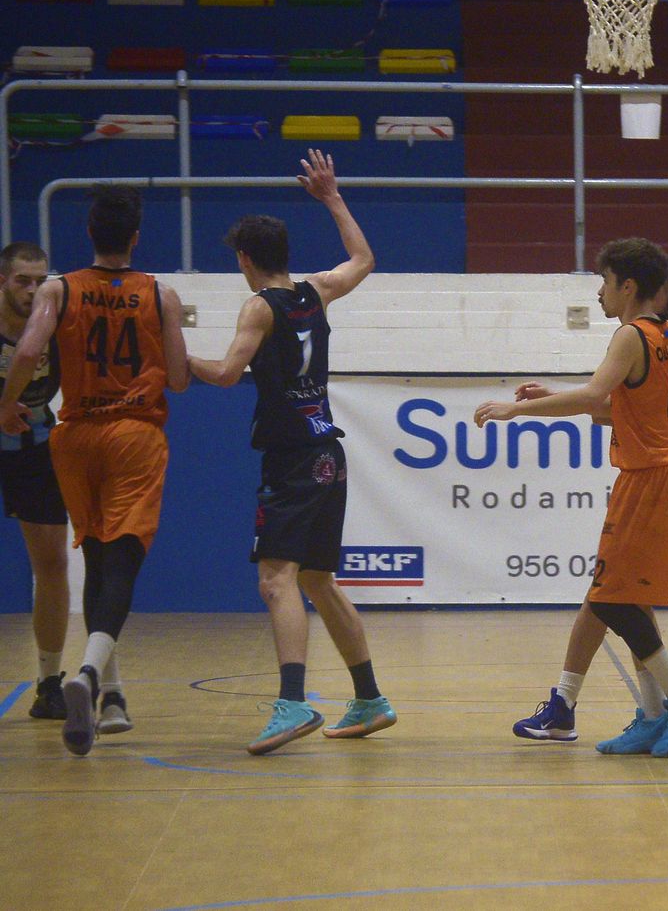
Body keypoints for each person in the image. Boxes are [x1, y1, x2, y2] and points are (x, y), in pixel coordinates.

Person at [187, 150, 398, 754]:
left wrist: (173, 355)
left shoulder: (258, 306)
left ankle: (292, 703)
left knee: (276, 580)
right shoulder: (316, 291)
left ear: (245, 260)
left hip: (293, 458)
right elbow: (364, 259)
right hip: (328, 454)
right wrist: (332, 197)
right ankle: (369, 698)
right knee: (319, 580)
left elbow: (226, 373)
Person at [476, 237, 668, 758]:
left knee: (609, 597)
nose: (599, 293)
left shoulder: (631, 335)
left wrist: (516, 411)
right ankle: (652, 715)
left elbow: (592, 396)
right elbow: (622, 408)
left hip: (651, 478)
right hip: (666, 472)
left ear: (627, 286)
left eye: (604, 282)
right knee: (624, 595)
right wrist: (556, 398)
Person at [0, 185, 190, 755]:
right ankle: (89, 676)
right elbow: (179, 378)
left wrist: (7, 402)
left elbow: (28, 352)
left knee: (93, 557)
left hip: (74, 436)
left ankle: (109, 693)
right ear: (136, 237)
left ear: (88, 233)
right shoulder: (160, 293)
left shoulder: (59, 289)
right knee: (119, 561)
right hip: (133, 435)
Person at [0, 242, 73, 722]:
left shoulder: (55, 320)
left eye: (39, 280)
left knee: (51, 562)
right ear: (2, 282)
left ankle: (49, 683)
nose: (32, 290)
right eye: (22, 281)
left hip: (34, 448)